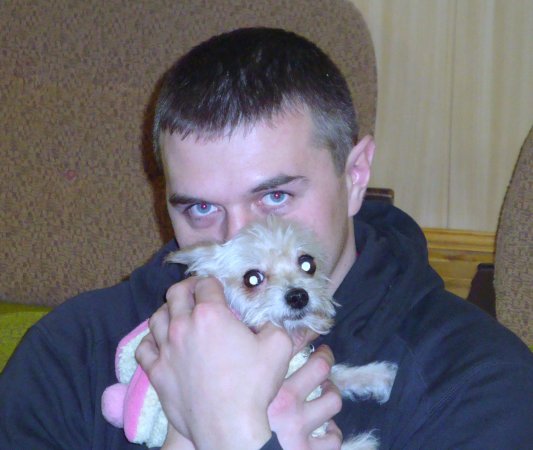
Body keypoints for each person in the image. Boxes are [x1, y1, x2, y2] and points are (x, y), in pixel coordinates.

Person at [1, 27, 532, 450]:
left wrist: (234, 436)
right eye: (202, 208)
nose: (240, 239)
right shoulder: (72, 352)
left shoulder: (478, 382)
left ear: (355, 176)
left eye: (275, 196)